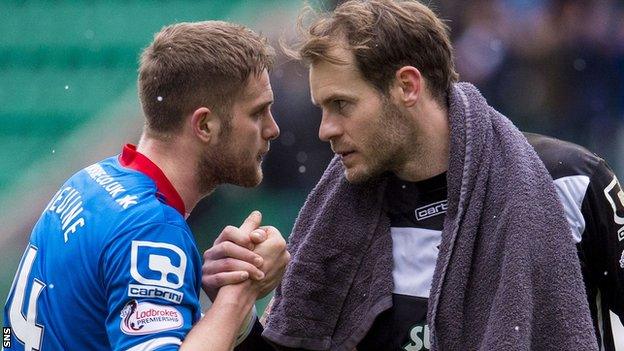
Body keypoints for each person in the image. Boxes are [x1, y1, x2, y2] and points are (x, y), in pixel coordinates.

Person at [202, 1, 623, 350]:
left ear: (407, 86)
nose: (324, 129)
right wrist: (236, 305)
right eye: (321, 109)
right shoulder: (338, 222)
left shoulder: (572, 182)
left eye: (342, 105)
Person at [2, 21, 290, 351]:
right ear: (205, 125)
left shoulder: (88, 182)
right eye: (258, 113)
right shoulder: (151, 230)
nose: (273, 129)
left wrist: (224, 307)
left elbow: (9, 332)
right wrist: (240, 294)